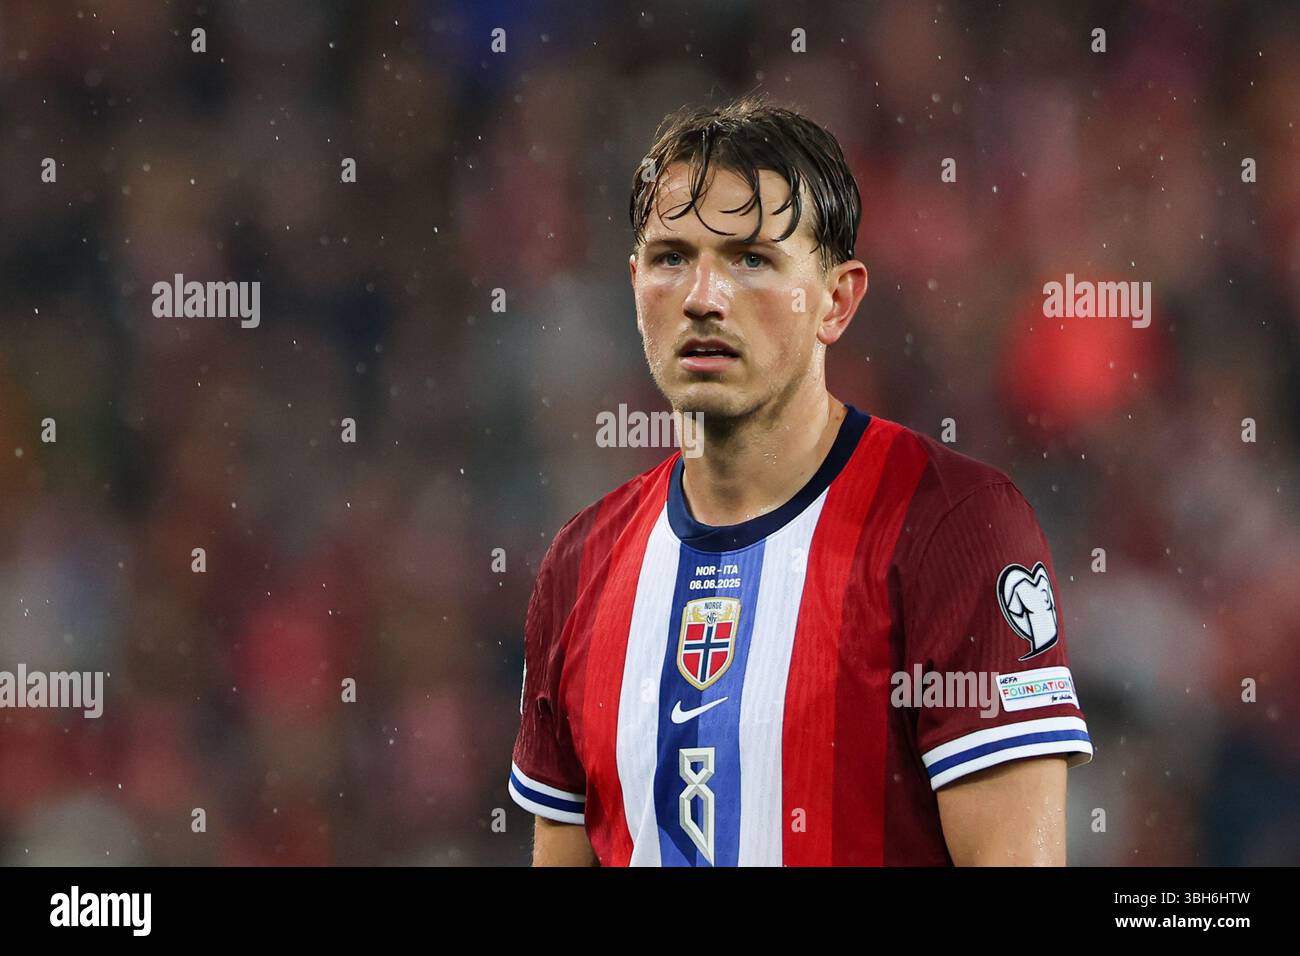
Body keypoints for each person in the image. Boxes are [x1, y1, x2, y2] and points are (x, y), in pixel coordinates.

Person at [507, 94, 1092, 866]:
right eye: (671, 257)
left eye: (752, 259)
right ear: (634, 282)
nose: (703, 298)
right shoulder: (578, 566)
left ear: (837, 301)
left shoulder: (956, 528)